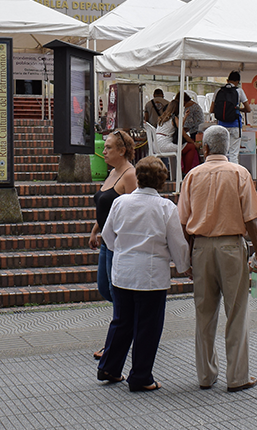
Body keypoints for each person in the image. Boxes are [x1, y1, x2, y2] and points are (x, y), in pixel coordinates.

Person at [179, 125, 257, 393]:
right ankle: (237, 377)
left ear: (204, 148)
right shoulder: (240, 173)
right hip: (231, 246)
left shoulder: (191, 176)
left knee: (204, 314)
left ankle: (206, 375)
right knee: (236, 312)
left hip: (201, 248)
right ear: (227, 147)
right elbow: (250, 218)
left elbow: (183, 222)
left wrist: (187, 258)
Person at [97, 156, 190, 391]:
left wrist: (123, 252)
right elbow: (177, 243)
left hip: (123, 270)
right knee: (147, 326)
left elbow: (108, 236)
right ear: (161, 181)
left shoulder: (121, 203)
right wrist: (184, 266)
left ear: (137, 177)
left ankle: (109, 367)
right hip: (151, 274)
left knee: (121, 321)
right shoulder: (166, 207)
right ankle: (140, 376)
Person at [89, 130, 137, 360]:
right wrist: (95, 229)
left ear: (122, 150)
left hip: (119, 243)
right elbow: (105, 206)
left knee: (116, 293)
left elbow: (137, 208)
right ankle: (131, 325)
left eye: (108, 148)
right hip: (106, 241)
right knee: (105, 288)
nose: (104, 151)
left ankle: (115, 342)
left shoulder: (129, 175)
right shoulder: (112, 173)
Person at [210, 71, 251, 164]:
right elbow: (248, 109)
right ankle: (233, 175)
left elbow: (211, 110)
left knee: (222, 154)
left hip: (221, 126)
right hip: (235, 125)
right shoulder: (239, 91)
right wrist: (238, 109)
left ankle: (222, 174)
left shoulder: (218, 91)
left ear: (227, 80)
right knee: (233, 154)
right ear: (238, 81)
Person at [155, 95, 200, 174]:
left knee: (185, 147)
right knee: (191, 147)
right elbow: (183, 134)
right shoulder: (174, 118)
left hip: (156, 145)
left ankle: (182, 172)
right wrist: (194, 143)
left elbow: (177, 126)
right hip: (165, 146)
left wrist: (185, 117)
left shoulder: (162, 118)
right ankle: (186, 172)